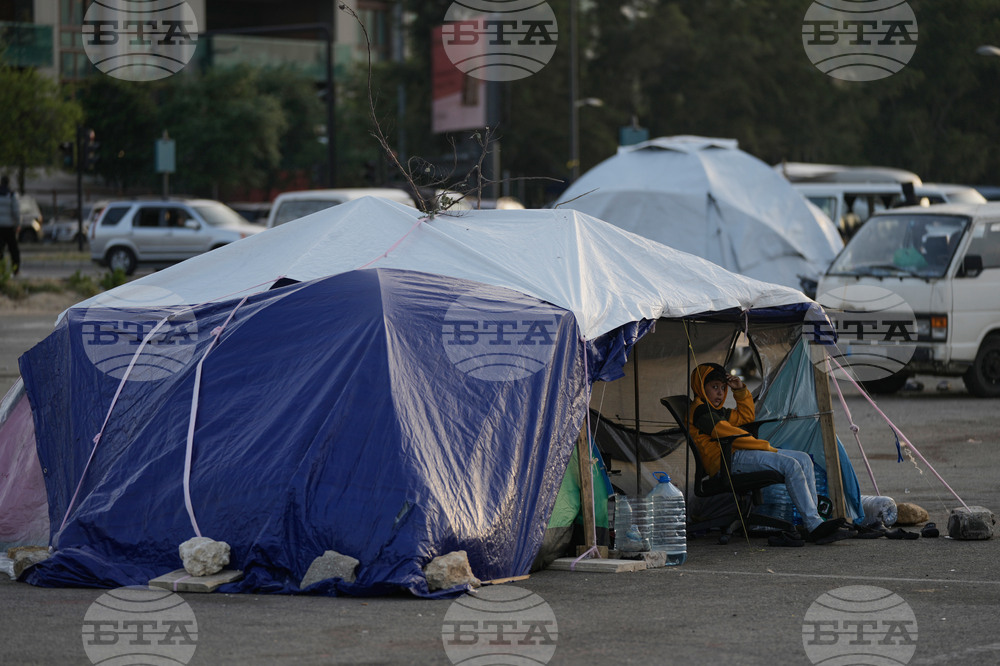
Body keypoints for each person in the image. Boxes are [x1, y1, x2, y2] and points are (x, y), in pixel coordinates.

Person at [687, 362, 851, 543]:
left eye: (723, 388)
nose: (719, 393)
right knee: (791, 464)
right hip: (726, 461)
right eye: (714, 387)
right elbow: (725, 432)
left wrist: (740, 389)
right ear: (701, 387)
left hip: (737, 455)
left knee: (804, 459)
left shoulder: (718, 411)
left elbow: (746, 417)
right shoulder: (700, 410)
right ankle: (814, 525)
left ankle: (813, 523)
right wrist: (763, 446)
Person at [0, 175, 19, 276]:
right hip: (8, 226)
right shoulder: (11, 195)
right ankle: (15, 269)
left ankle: (1, 270)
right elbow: (15, 211)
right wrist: (18, 223)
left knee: (0, 250)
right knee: (13, 249)